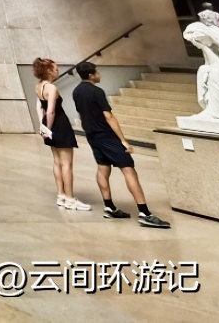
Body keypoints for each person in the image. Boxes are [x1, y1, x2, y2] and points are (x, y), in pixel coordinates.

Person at [70, 62, 170, 228]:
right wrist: (123, 140)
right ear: (90, 75)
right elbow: (109, 117)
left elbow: (82, 114)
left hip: (92, 135)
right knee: (129, 170)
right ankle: (144, 213)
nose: (99, 75)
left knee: (103, 168)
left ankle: (109, 207)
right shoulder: (97, 91)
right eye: (97, 72)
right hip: (106, 136)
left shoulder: (76, 91)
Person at [32, 58, 86, 210]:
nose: (57, 70)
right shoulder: (52, 88)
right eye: (55, 68)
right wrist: (48, 128)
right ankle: (70, 199)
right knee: (67, 164)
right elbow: (51, 111)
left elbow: (39, 107)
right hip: (59, 126)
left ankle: (61, 195)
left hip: (48, 126)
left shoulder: (39, 86)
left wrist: (42, 127)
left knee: (57, 161)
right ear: (49, 70)